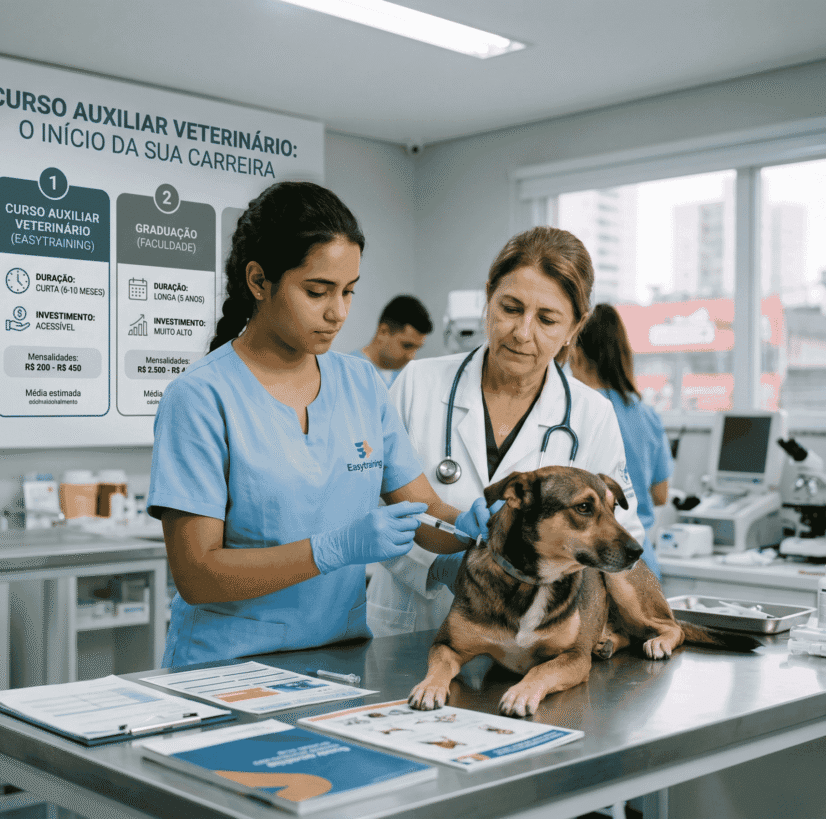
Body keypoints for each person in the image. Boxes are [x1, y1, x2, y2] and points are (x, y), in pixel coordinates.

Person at [146, 181, 491, 667]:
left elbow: (424, 514)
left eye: (348, 291)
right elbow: (197, 575)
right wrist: (330, 549)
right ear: (258, 281)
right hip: (226, 668)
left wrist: (477, 526)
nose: (338, 313)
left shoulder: (361, 384)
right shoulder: (200, 397)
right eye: (317, 291)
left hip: (337, 660)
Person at [367, 226, 645, 638]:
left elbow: (621, 538)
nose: (522, 332)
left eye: (547, 319)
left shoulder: (592, 415)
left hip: (529, 640)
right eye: (511, 308)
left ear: (575, 327)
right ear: (489, 298)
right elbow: (372, 507)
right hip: (411, 628)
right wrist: (438, 565)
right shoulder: (417, 384)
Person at [568, 303, 672, 579]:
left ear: (575, 354)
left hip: (594, 562)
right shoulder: (646, 414)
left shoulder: (572, 411)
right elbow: (660, 495)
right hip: (641, 561)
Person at [351, 294, 432, 386]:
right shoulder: (348, 372)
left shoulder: (404, 378)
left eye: (417, 348)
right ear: (383, 332)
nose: (411, 357)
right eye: (407, 346)